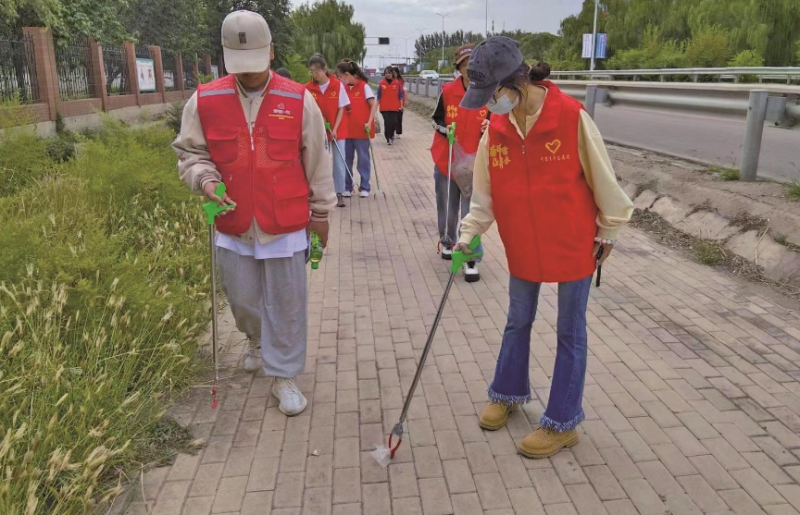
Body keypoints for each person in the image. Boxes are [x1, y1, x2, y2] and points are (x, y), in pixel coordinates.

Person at [456, 37, 634, 458]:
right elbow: (484, 195)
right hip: (522, 242)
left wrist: (608, 230)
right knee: (518, 320)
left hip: (573, 241)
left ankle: (561, 421)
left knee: (570, 330)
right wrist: (468, 234)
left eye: (492, 93)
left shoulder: (571, 116)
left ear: (516, 81)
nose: (489, 104)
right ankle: (508, 392)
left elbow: (603, 178)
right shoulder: (495, 128)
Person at [173, 10, 336, 417]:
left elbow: (317, 160)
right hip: (232, 223)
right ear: (226, 57)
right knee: (243, 299)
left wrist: (321, 215)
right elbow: (191, 154)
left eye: (256, 65)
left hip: (285, 222)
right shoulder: (205, 100)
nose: (249, 75)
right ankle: (256, 338)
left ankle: (284, 375)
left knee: (287, 303)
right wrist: (205, 181)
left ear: (271, 52)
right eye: (240, 68)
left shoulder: (299, 99)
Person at [430, 44, 488, 282]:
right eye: (465, 65)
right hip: (448, 158)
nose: (469, 70)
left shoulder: (488, 93)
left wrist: (490, 127)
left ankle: (470, 258)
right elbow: (435, 120)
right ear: (459, 68)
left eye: (473, 65)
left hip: (474, 164)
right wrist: (446, 130)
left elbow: (498, 122)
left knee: (471, 211)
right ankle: (447, 240)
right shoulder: (447, 91)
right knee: (447, 205)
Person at [306, 54, 350, 208]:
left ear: (325, 70)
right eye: (312, 72)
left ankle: (339, 192)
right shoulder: (308, 88)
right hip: (318, 132)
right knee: (317, 162)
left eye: (317, 71)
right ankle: (316, 193)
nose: (315, 75)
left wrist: (335, 129)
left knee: (339, 162)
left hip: (338, 131)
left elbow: (341, 109)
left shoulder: (337, 85)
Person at [336, 59, 377, 198]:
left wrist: (369, 122)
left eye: (341, 77)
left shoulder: (364, 86)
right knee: (346, 159)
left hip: (361, 130)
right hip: (346, 131)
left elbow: (373, 105)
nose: (340, 80)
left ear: (347, 74)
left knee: (363, 159)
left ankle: (365, 186)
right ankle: (348, 186)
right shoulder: (343, 88)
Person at [376, 66, 404, 145]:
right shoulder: (382, 83)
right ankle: (388, 137)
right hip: (384, 108)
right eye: (386, 73)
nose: (387, 75)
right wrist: (375, 107)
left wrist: (401, 105)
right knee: (387, 122)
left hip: (395, 107)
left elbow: (400, 96)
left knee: (394, 122)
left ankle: (391, 135)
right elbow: (379, 96)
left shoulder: (397, 83)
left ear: (392, 74)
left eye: (389, 73)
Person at [392, 67, 405, 138]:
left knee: (399, 118)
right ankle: (393, 131)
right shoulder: (391, 81)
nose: (394, 75)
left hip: (400, 101)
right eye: (392, 73)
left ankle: (398, 132)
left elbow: (403, 91)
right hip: (393, 102)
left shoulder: (401, 81)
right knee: (393, 118)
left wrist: (404, 102)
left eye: (394, 73)